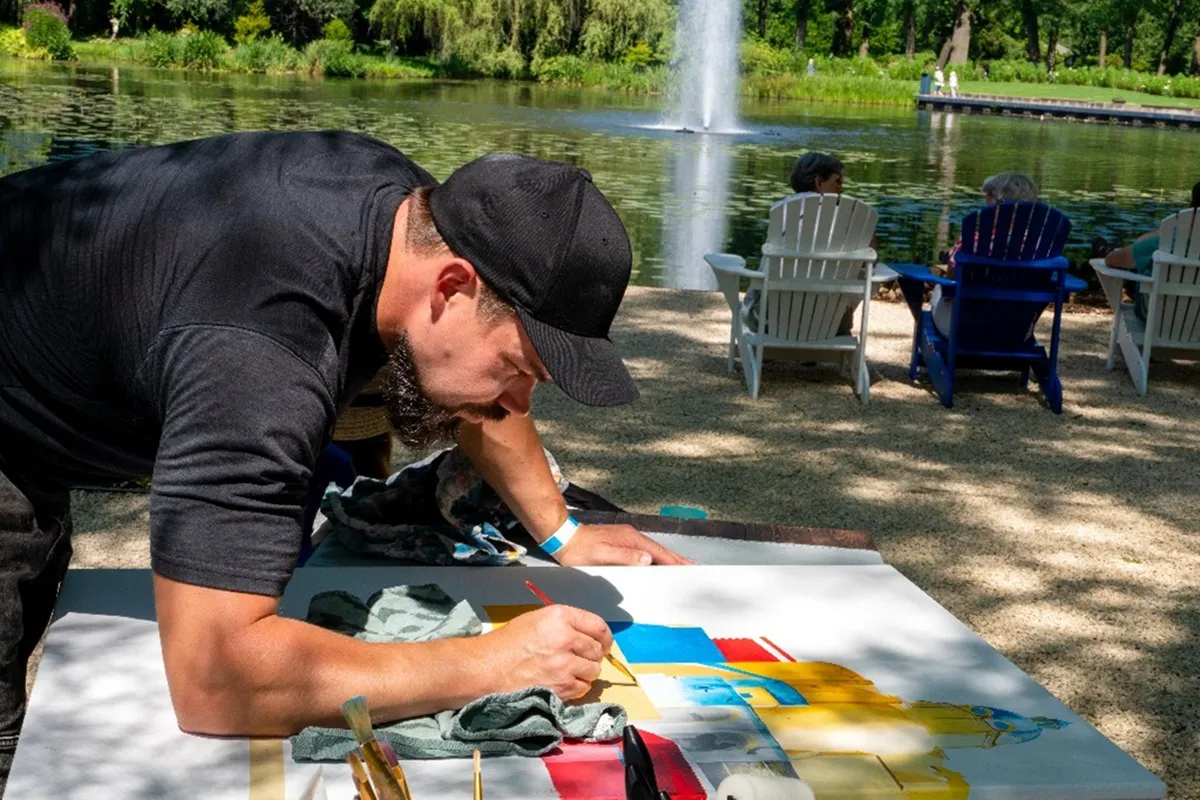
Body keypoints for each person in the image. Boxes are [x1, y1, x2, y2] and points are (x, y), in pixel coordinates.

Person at [0, 131, 691, 791]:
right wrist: (489, 662)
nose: (518, 402)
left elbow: (473, 394)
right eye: (518, 368)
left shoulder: (408, 219)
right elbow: (217, 680)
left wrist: (561, 531)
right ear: (450, 287)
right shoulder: (262, 350)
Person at [742, 153, 872, 337]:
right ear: (819, 182)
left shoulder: (782, 212)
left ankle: (768, 352)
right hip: (831, 327)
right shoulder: (847, 221)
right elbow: (870, 262)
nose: (842, 188)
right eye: (838, 181)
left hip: (769, 321)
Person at [930, 172, 1039, 336]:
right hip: (1018, 332)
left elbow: (952, 270)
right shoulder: (1039, 246)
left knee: (940, 287)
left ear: (998, 206)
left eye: (987, 204)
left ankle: (934, 352)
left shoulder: (975, 240)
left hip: (965, 327)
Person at [1104, 180, 1200, 323]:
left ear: (1191, 213)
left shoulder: (1165, 243)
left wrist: (1159, 233)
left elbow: (1111, 260)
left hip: (1158, 320)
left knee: (1142, 267)